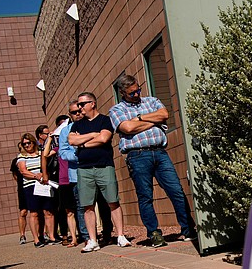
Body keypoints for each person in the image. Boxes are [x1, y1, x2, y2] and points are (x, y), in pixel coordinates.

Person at [110, 74, 197, 247]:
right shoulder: (116, 110)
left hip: (160, 152)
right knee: (145, 196)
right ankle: (154, 233)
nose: (136, 95)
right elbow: (126, 127)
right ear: (122, 93)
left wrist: (139, 119)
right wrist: (152, 120)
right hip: (137, 156)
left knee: (176, 191)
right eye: (132, 93)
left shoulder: (151, 101)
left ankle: (188, 229)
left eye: (138, 90)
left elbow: (164, 114)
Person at [68, 92, 131, 252]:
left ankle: (121, 236)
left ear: (92, 104)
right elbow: (71, 141)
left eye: (82, 104)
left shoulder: (105, 120)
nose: (79, 108)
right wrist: (91, 136)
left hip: (104, 166)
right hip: (84, 169)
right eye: (78, 105)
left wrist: (82, 143)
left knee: (113, 201)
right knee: (87, 205)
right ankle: (93, 240)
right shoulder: (77, 125)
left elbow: (104, 139)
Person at [46, 107, 78, 247]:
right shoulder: (58, 148)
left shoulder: (73, 142)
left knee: (80, 208)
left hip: (75, 177)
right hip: (64, 180)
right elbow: (46, 155)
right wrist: (50, 138)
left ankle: (83, 235)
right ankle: (67, 235)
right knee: (66, 209)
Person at [16, 133, 55, 248]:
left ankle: (52, 236)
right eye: (24, 144)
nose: (27, 145)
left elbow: (48, 165)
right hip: (30, 186)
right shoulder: (21, 157)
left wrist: (43, 175)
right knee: (34, 213)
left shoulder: (41, 154)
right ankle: (36, 239)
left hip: (44, 185)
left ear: (33, 142)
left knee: (48, 211)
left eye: (29, 142)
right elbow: (23, 171)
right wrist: (35, 176)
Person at [10, 143, 28, 245]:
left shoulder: (33, 157)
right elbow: (15, 175)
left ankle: (43, 233)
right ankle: (22, 235)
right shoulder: (16, 161)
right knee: (23, 212)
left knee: (38, 211)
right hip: (22, 188)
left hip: (33, 186)